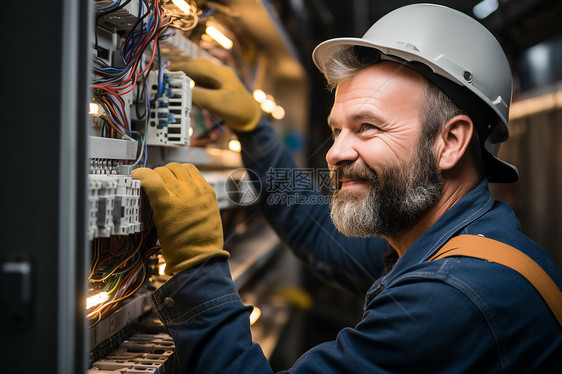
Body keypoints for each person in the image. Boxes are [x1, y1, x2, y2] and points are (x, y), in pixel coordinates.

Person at [133, 4, 562, 373]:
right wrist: (254, 130)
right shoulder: (458, 242)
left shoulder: (451, 296)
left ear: (449, 142)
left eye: (368, 127)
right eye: (336, 130)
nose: (335, 153)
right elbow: (321, 238)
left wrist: (198, 262)